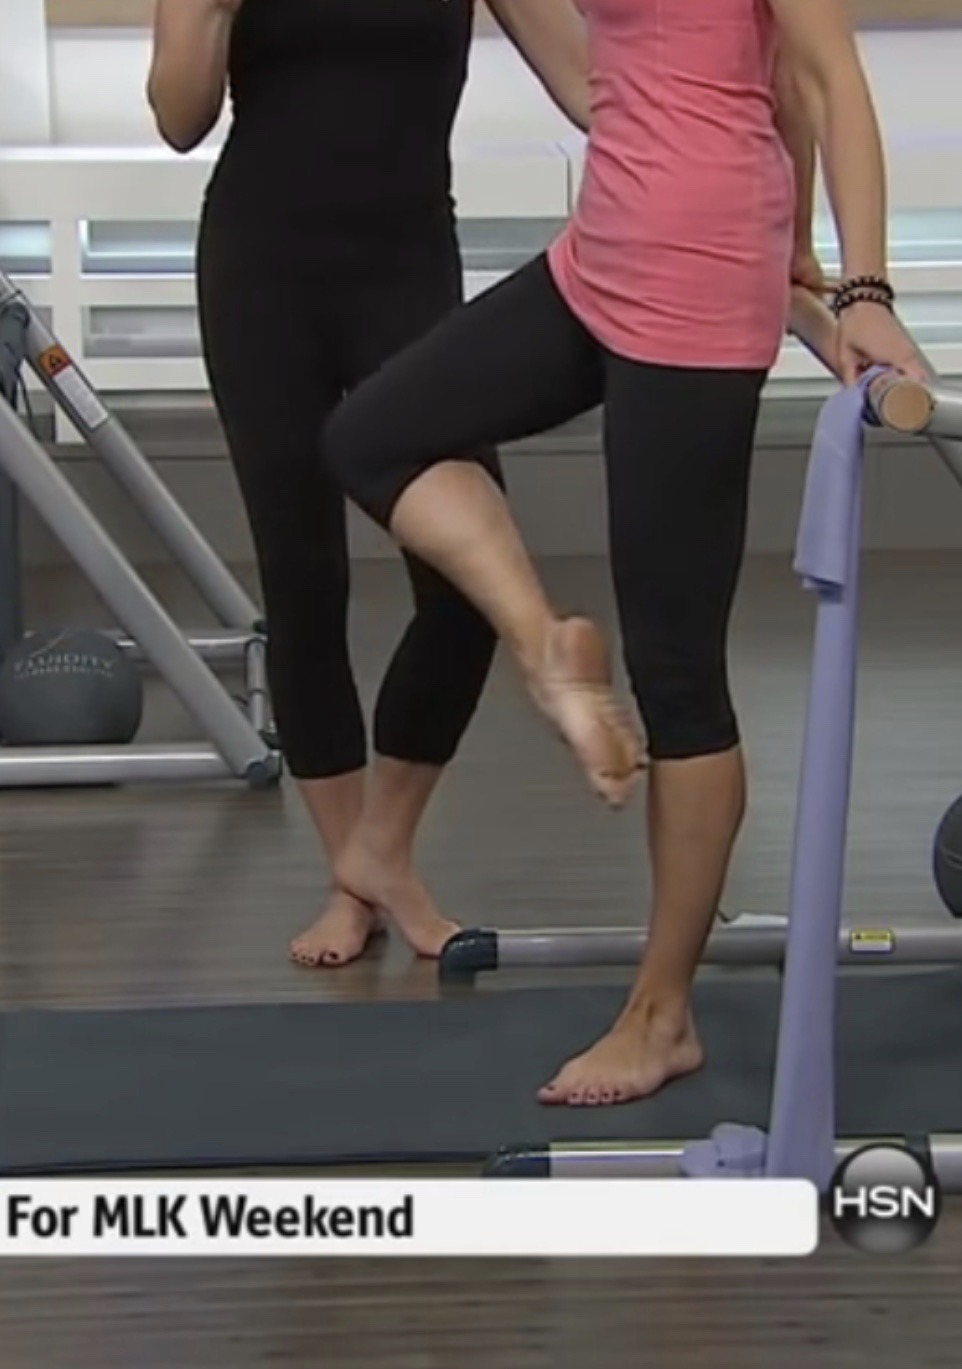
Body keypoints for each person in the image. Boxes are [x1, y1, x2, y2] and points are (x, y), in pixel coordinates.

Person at [324, 0, 924, 1106]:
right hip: (599, 251)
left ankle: (661, 1017)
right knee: (371, 435)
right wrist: (795, 238)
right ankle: (544, 649)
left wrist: (863, 288)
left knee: (677, 673)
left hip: (696, 275)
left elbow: (824, 74)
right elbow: (720, 68)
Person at [146, 0, 590, 967]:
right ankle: (352, 879)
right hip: (261, 270)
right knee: (304, 580)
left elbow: (597, 88)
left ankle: (380, 851)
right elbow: (178, 119)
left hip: (406, 269)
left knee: (466, 585)